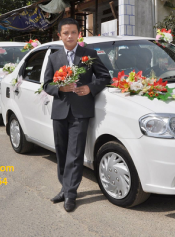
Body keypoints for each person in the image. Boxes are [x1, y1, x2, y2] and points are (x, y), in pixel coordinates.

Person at [43, 18, 111, 212]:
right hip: (60, 111)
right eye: (66, 33)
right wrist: (60, 88)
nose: (70, 36)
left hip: (81, 112)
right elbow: (46, 84)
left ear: (79, 34)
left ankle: (71, 194)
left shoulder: (89, 54)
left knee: (75, 153)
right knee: (62, 152)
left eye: (73, 32)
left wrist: (90, 88)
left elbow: (105, 77)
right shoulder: (54, 57)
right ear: (60, 36)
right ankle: (64, 188)